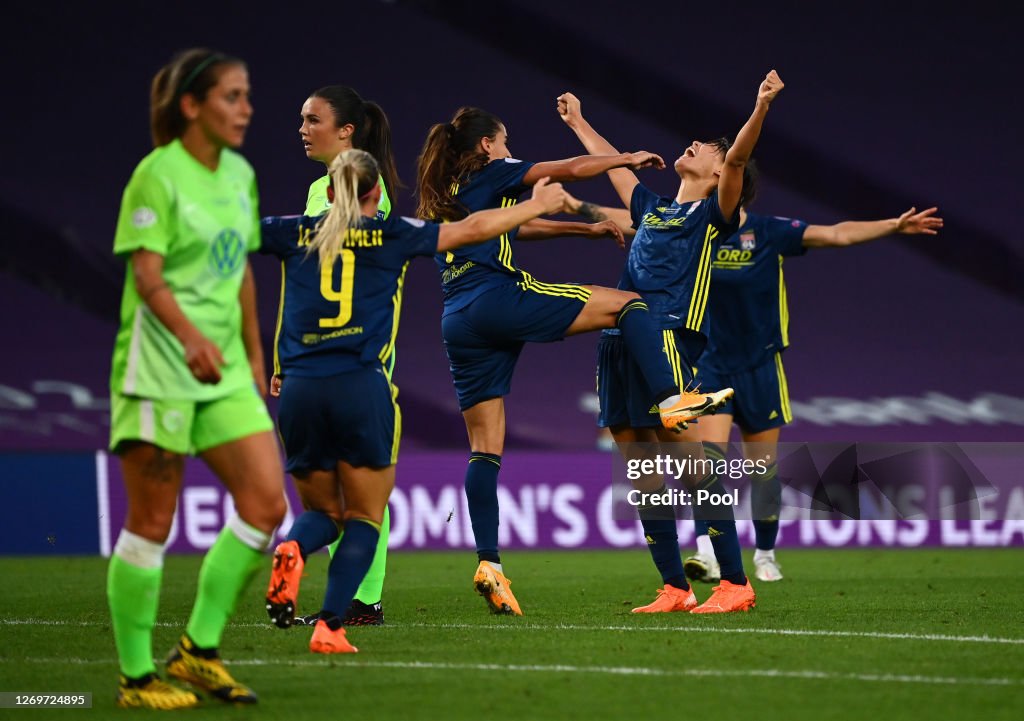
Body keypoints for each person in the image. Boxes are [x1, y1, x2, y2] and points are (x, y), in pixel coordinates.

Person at [415, 107, 731, 616]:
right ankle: (673, 398)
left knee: (484, 449)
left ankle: (490, 563)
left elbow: (516, 227)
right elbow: (564, 168)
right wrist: (624, 156)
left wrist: (577, 231)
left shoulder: (451, 192)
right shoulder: (495, 170)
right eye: (505, 139)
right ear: (486, 147)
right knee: (627, 304)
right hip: (496, 298)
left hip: (456, 319)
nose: (509, 147)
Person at [260, 149, 577, 652]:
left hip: (299, 388)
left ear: (327, 193)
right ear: (374, 195)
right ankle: (330, 627)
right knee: (364, 515)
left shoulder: (291, 230)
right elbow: (469, 231)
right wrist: (532, 206)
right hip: (360, 386)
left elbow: (225, 237)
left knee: (322, 511)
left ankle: (294, 547)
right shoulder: (391, 234)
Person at [557, 70, 784, 613]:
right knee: (642, 468)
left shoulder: (713, 215)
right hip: (617, 337)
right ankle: (674, 588)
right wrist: (579, 121)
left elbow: (734, 161)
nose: (701, 146)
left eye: (711, 148)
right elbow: (615, 167)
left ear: (718, 170)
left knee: (691, 463)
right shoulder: (652, 208)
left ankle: (734, 582)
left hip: (668, 342)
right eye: (706, 143)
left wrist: (760, 108)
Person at [107, 48, 286, 709]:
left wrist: (252, 355)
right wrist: (188, 339)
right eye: (232, 97)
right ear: (192, 105)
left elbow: (239, 267)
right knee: (153, 518)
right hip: (161, 365)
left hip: (225, 370)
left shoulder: (240, 173)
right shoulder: (157, 176)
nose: (246, 109)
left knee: (266, 504)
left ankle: (197, 651)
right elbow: (147, 274)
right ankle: (134, 676)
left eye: (246, 96)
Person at [682, 204, 943, 584]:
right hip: (709, 365)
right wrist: (579, 209)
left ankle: (766, 556)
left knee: (762, 470)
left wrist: (892, 224)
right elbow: (634, 216)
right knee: (707, 464)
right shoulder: (694, 230)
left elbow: (836, 233)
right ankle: (707, 554)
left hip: (761, 367)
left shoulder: (769, 231)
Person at [272, 85, 402, 628]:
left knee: (347, 495)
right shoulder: (315, 191)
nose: (302, 128)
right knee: (361, 493)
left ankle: (351, 596)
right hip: (335, 365)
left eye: (312, 119)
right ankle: (356, 603)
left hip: (355, 359)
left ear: (346, 130)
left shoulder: (371, 196)